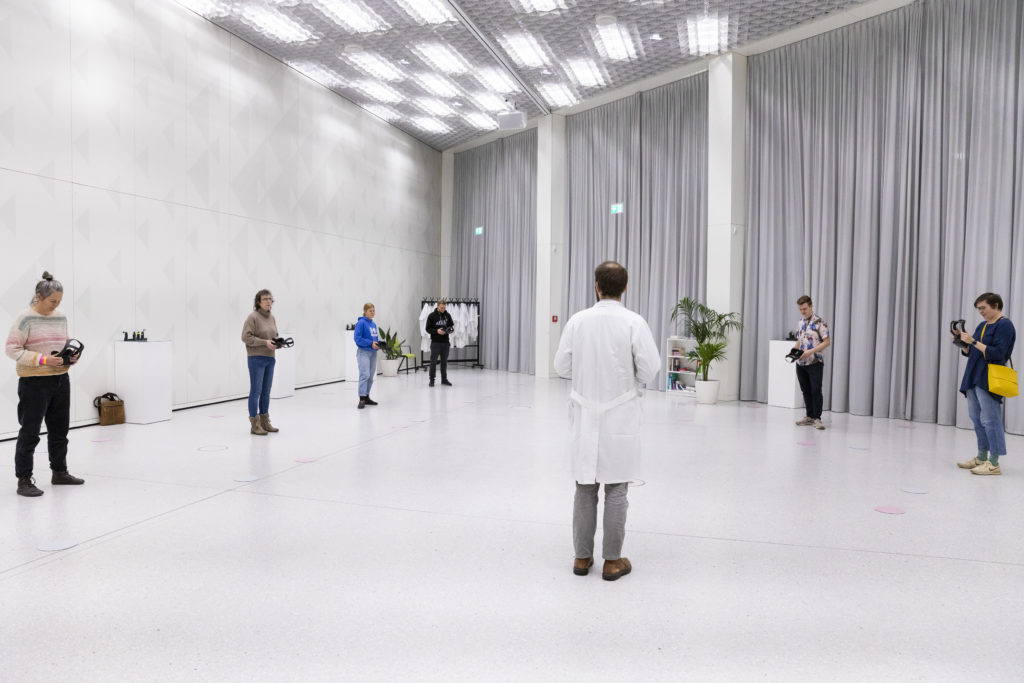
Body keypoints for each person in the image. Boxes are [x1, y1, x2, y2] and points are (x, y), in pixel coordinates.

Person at [553, 261, 660, 582]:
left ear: (596, 285)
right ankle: (613, 562)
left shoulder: (578, 321)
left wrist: (586, 375)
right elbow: (650, 369)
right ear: (624, 288)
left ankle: (582, 558)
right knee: (616, 488)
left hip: (585, 412)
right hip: (621, 414)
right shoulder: (634, 322)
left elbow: (561, 365)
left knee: (585, 488)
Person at [4, 272, 84, 497]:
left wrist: (70, 358)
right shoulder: (25, 317)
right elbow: (12, 349)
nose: (56, 306)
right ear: (38, 296)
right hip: (34, 383)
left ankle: (60, 472)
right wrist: (43, 359)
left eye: (59, 301)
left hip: (60, 379)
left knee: (60, 431)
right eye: (52, 301)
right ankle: (24, 479)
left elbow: (59, 345)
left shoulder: (61, 317)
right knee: (30, 432)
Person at [955, 292, 1016, 475]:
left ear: (996, 305)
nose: (980, 312)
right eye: (978, 308)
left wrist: (973, 341)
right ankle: (982, 457)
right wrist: (961, 342)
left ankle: (994, 462)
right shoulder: (982, 325)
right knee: (977, 419)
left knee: (991, 420)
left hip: (989, 377)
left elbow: (998, 354)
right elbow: (973, 351)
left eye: (983, 308)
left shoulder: (1005, 325)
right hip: (974, 375)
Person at [241, 289, 280, 435]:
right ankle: (254, 424)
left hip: (270, 358)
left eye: (270, 299)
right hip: (256, 358)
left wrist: (277, 343)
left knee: (266, 392)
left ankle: (265, 421)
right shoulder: (253, 317)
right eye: (265, 299)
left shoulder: (272, 318)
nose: (269, 301)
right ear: (258, 302)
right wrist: (265, 343)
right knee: (256, 391)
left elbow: (273, 336)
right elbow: (245, 337)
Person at [792, 295, 831, 430]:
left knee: (816, 390)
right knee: (805, 390)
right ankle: (809, 416)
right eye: (800, 309)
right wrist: (793, 352)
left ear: (811, 306)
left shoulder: (820, 323)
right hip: (801, 364)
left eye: (804, 309)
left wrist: (810, 352)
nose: (802, 311)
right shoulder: (800, 323)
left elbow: (827, 342)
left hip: (815, 362)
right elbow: (799, 340)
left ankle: (817, 418)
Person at [354, 303, 380, 409]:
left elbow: (375, 339)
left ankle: (367, 396)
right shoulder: (361, 323)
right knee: (364, 375)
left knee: (370, 377)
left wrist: (378, 345)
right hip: (363, 352)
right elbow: (357, 339)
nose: (373, 313)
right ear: (365, 312)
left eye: (374, 310)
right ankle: (361, 399)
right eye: (370, 311)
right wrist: (370, 343)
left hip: (373, 353)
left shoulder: (373, 324)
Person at [425, 299, 454, 387]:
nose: (443, 309)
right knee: (433, 362)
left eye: (444, 308)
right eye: (441, 307)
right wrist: (436, 331)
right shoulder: (431, 316)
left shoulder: (447, 315)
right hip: (435, 343)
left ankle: (444, 380)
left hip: (445, 343)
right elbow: (427, 329)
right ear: (437, 306)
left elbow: (451, 326)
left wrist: (450, 330)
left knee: (444, 362)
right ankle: (432, 380)